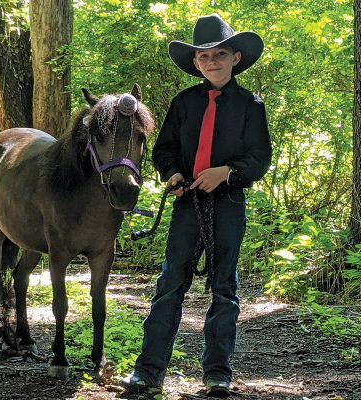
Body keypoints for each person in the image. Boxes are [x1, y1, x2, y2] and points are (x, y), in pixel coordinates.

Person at [122, 13, 272, 398]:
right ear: (195, 63)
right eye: (204, 57)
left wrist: (227, 172)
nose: (211, 62)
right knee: (170, 284)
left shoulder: (250, 105)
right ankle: (149, 370)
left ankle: (218, 373)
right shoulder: (184, 102)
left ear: (235, 58)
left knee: (224, 288)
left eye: (219, 54)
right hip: (188, 204)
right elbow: (164, 149)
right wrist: (172, 173)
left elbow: (259, 157)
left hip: (228, 204)